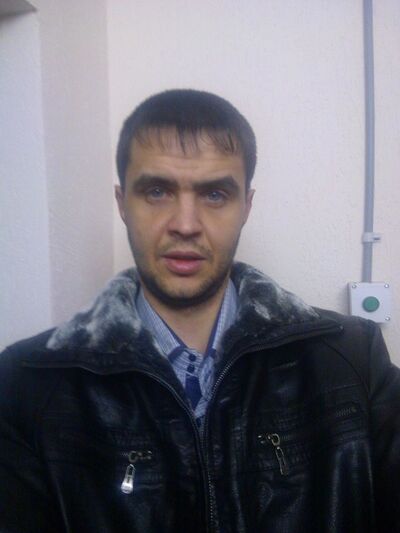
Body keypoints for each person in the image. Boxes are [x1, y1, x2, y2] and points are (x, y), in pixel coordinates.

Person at [0, 89, 399, 533]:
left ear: (246, 207)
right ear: (122, 203)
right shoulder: (27, 383)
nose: (185, 225)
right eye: (156, 191)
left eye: (214, 194)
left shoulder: (353, 359)